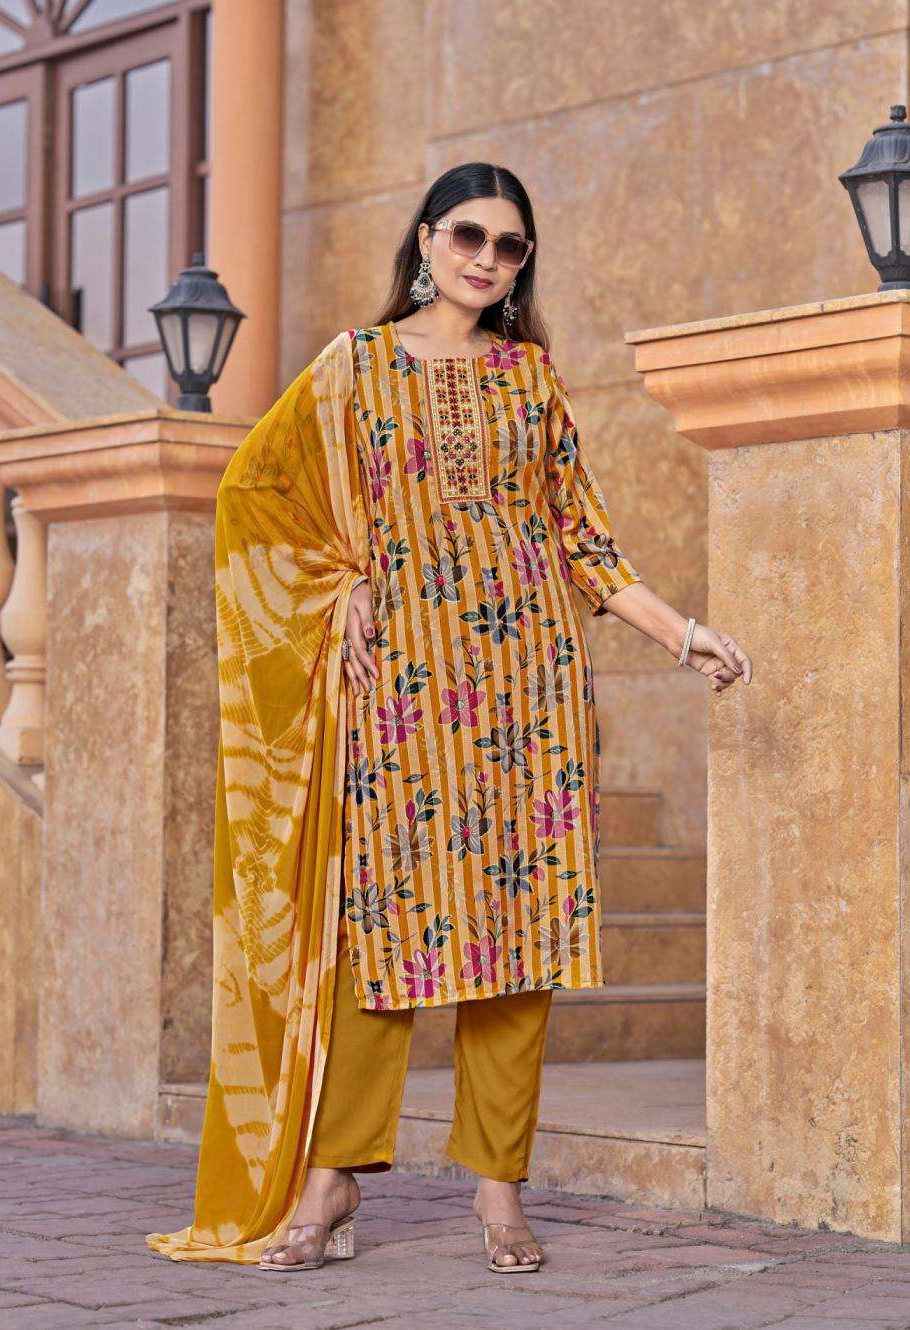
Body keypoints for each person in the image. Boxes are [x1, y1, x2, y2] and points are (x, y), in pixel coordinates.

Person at [146, 161, 752, 1276]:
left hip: (528, 686)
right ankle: (331, 1180)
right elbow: (256, 494)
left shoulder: (530, 379)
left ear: (522, 265)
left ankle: (498, 1191)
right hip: (403, 685)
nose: (485, 258)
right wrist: (339, 578)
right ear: (425, 239)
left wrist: (682, 633)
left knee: (517, 940)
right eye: (467, 234)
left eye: (508, 245)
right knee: (380, 926)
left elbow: (583, 539)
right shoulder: (353, 367)